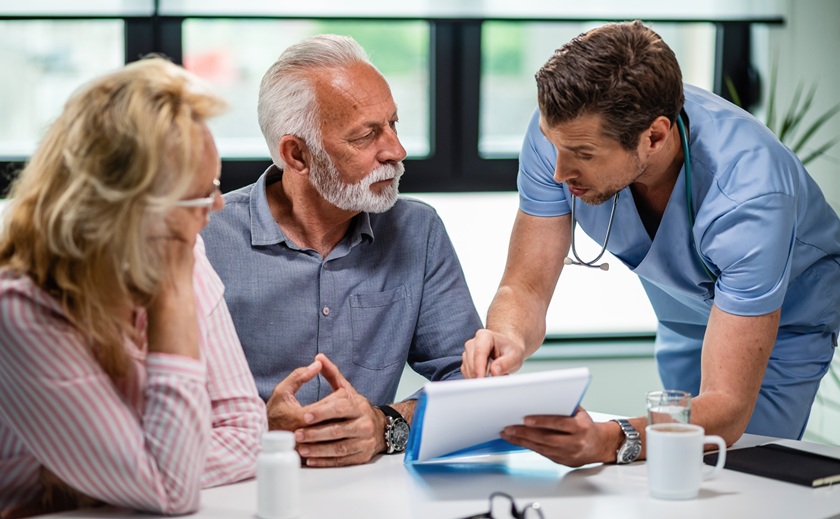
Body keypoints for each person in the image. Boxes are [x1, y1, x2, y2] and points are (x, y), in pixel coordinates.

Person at [462, 21, 840, 467]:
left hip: (784, 324)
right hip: (682, 311)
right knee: (670, 466)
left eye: (583, 155)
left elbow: (726, 408)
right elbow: (525, 286)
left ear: (655, 137)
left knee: (741, 467)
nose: (559, 172)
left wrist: (608, 440)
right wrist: (506, 338)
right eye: (553, 145)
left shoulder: (750, 194)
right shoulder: (564, 132)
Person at [0, 57, 266, 518]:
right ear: (127, 210)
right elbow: (172, 488)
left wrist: (100, 481)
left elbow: (246, 431)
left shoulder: (180, 246)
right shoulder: (21, 309)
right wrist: (173, 300)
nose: (217, 206)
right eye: (200, 195)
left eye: (215, 184)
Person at [201, 34, 482, 468]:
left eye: (393, 124)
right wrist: (260, 431)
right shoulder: (204, 238)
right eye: (366, 136)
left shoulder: (418, 231)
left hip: (369, 488)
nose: (397, 151)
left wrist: (385, 425)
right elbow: (153, 401)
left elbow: (472, 383)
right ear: (297, 155)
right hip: (239, 484)